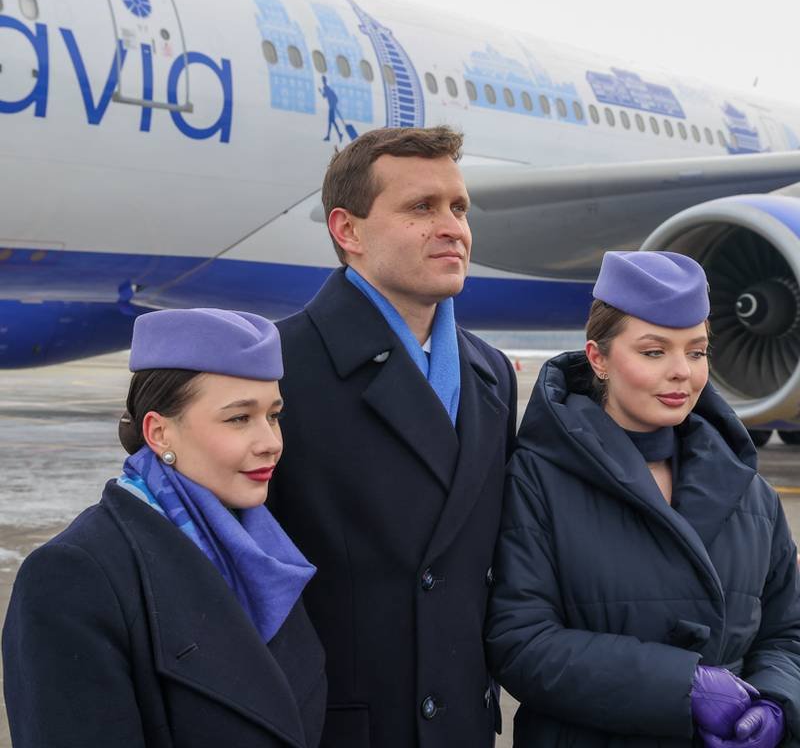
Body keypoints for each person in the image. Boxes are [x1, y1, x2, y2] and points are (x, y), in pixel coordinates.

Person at [486, 251, 800, 748]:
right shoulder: (537, 479)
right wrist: (681, 687)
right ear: (598, 359)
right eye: (654, 352)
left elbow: (789, 634)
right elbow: (520, 642)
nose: (682, 373)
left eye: (696, 352)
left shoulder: (749, 490)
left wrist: (778, 704)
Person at [267, 126, 517, 748]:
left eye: (459, 207)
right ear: (347, 231)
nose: (452, 227)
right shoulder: (276, 368)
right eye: (422, 207)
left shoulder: (492, 374)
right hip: (337, 726)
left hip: (462, 725)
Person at [3, 308, 326, 748]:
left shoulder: (268, 551)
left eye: (274, 415)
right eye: (239, 418)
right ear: (159, 433)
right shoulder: (74, 576)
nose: (271, 443)